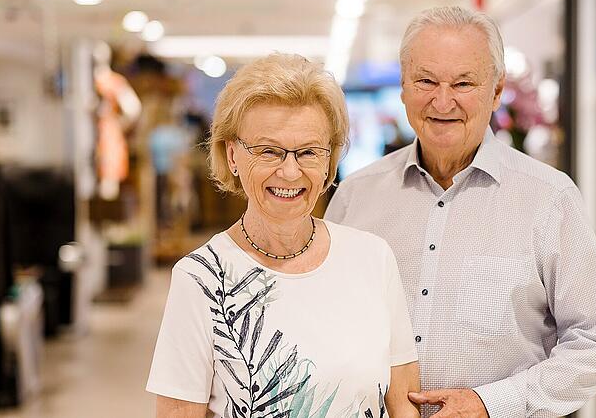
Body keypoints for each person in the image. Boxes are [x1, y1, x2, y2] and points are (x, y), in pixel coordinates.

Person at [325, 6, 596, 418]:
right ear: (403, 86)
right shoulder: (355, 196)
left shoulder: (549, 198)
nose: (442, 100)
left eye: (463, 82)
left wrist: (491, 404)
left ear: (497, 90)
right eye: (426, 80)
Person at [147, 53, 420, 418]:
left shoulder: (372, 258)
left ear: (329, 161)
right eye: (269, 151)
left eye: (308, 152)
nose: (290, 173)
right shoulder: (201, 278)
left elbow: (403, 403)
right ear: (232, 156)